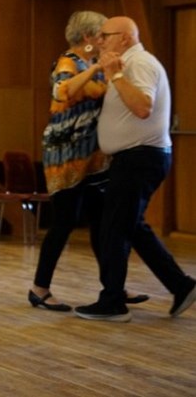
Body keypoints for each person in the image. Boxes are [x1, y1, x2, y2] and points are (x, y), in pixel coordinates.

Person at [74, 16, 196, 322]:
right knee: (131, 226)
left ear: (125, 38)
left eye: (105, 35)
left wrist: (115, 75)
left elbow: (143, 107)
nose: (99, 41)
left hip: (140, 158)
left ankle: (113, 302)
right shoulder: (129, 63)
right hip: (134, 158)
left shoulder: (138, 64)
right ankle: (181, 285)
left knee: (114, 228)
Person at [28, 11, 112, 311]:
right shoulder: (69, 62)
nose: (105, 40)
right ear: (87, 37)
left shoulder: (92, 64)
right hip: (65, 154)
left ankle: (113, 287)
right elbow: (62, 91)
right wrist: (98, 68)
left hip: (91, 155)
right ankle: (40, 288)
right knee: (64, 222)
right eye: (101, 35)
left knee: (100, 222)